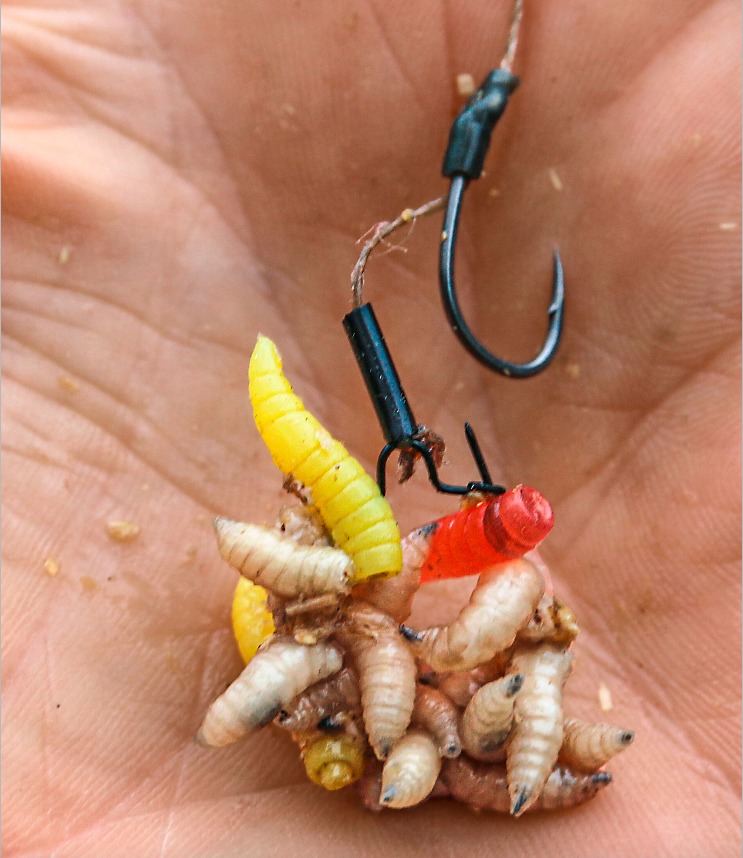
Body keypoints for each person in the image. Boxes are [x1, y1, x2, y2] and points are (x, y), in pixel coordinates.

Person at [3, 2, 740, 854]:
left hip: (397, 597)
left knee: (404, 569)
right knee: (399, 566)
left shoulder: (382, 596)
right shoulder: (372, 595)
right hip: (389, 596)